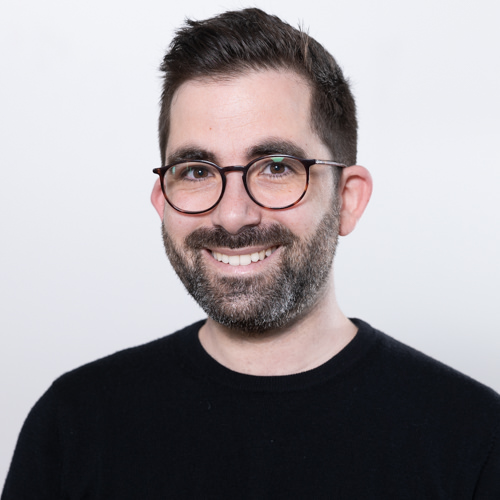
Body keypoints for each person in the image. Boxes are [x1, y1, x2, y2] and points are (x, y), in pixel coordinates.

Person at [2, 8, 499, 499]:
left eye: (276, 166)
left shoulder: (476, 441)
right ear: (163, 202)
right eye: (197, 171)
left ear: (347, 200)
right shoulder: (72, 426)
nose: (233, 215)